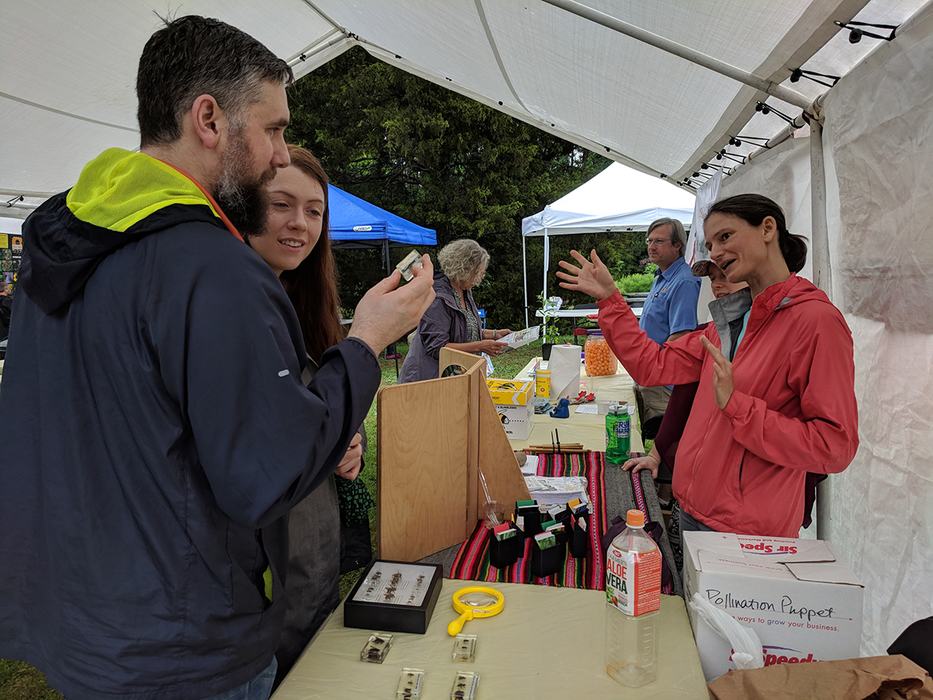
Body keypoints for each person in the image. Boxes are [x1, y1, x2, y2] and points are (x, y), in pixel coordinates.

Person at [0, 16, 434, 700]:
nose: (276, 154)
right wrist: (366, 343)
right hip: (180, 642)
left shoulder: (64, 243)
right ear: (208, 118)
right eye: (273, 129)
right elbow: (266, 475)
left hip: (81, 619)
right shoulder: (209, 265)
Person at [557, 194, 858, 538]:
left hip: (749, 531)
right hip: (694, 508)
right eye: (711, 243)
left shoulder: (816, 322)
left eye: (725, 237)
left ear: (768, 229)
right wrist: (611, 301)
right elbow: (651, 366)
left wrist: (737, 406)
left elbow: (834, 447)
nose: (714, 252)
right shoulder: (729, 321)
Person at [246, 144, 373, 683]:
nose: (300, 224)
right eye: (281, 205)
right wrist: (371, 336)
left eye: (314, 211)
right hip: (251, 523)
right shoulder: (229, 298)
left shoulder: (301, 292)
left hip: (307, 516)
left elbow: (321, 392)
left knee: (308, 622)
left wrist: (350, 438)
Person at [399, 238, 510, 383]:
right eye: (479, 272)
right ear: (465, 269)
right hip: (427, 382)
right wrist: (481, 346)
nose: (481, 277)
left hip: (451, 378)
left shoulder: (464, 291)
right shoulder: (438, 297)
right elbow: (438, 348)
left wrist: (495, 334)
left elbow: (463, 331)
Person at [635, 218, 701, 438]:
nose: (651, 246)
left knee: (667, 442)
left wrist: (653, 366)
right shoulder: (662, 277)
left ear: (677, 246)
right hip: (650, 374)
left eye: (659, 241)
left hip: (664, 383)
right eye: (649, 240)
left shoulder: (684, 281)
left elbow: (681, 336)